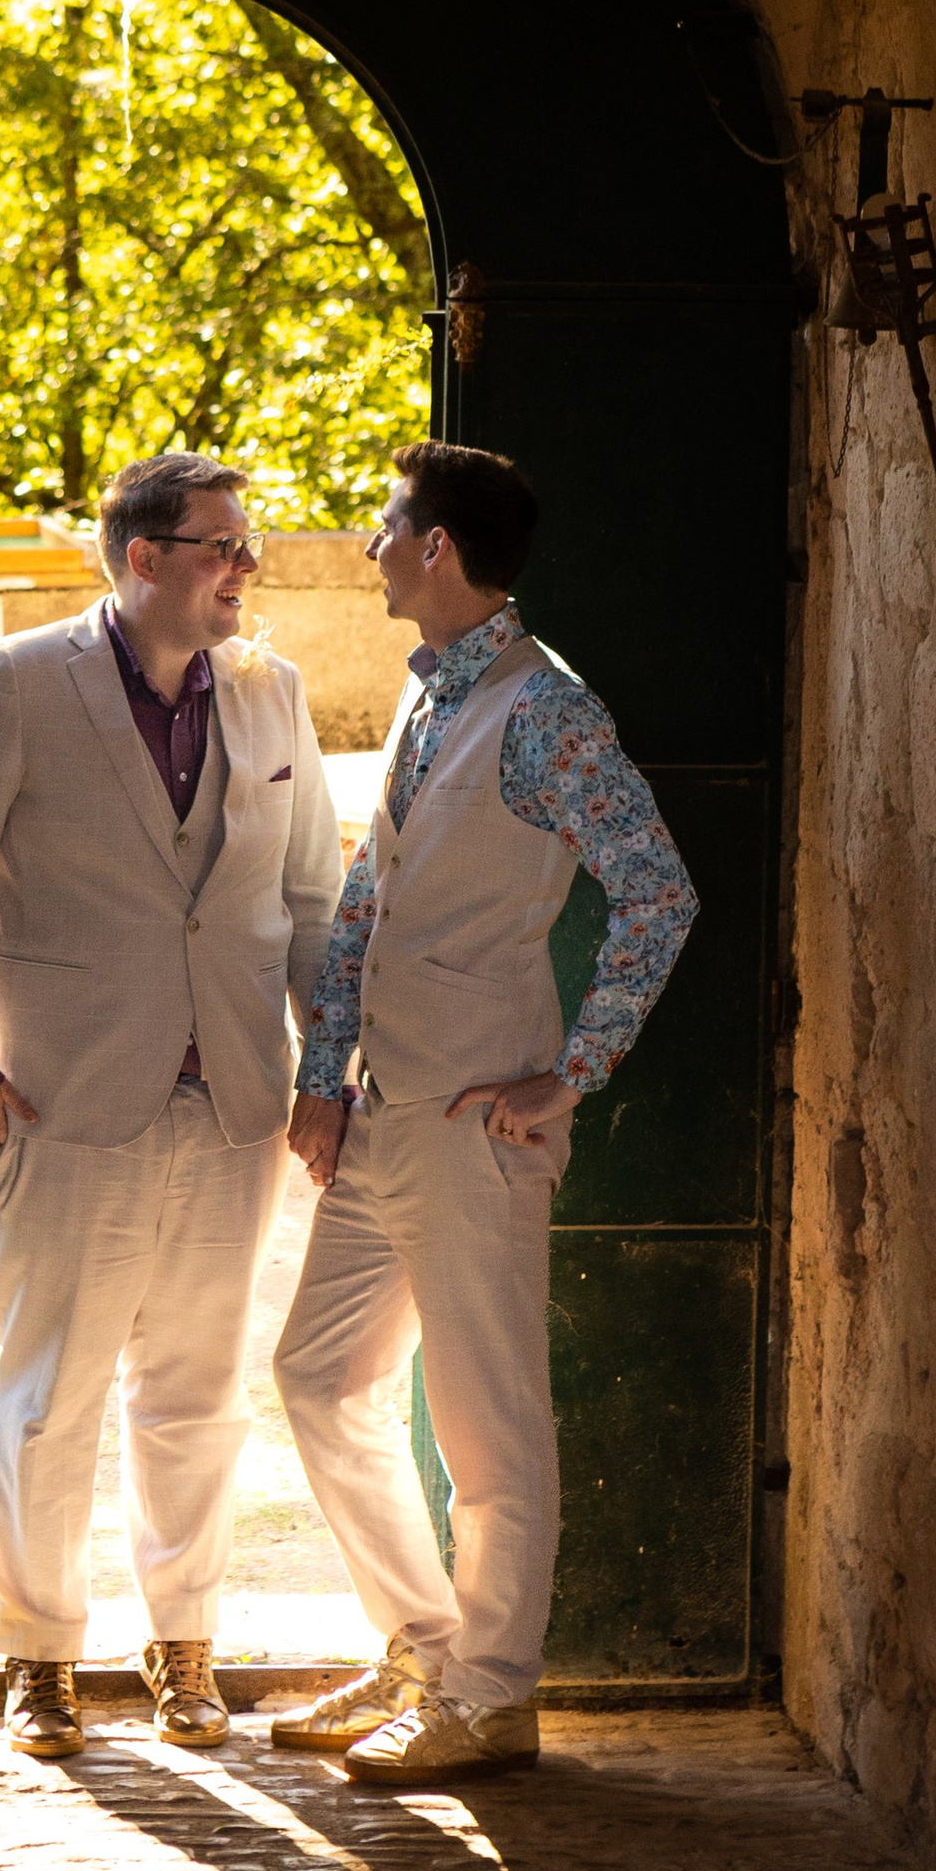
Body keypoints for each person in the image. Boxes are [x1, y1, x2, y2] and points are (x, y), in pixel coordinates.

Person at [0, 453, 344, 1760]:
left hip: (236, 1102)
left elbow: (314, 898)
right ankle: (38, 1658)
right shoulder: (18, 685)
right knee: (48, 1391)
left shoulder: (274, 695)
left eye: (247, 543)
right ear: (144, 560)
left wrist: (327, 1071)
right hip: (57, 1094)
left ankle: (184, 1642)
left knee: (201, 1390)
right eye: (222, 545)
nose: (246, 565)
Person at [271, 439, 698, 1782]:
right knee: (318, 1376)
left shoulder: (546, 710)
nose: (371, 546)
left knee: (487, 1420)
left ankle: (493, 1690)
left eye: (387, 525)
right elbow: (369, 900)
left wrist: (573, 1071)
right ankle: (423, 1645)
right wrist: (322, 1076)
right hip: (384, 1108)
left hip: (477, 1124)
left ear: (439, 548)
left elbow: (658, 892)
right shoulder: (430, 694)